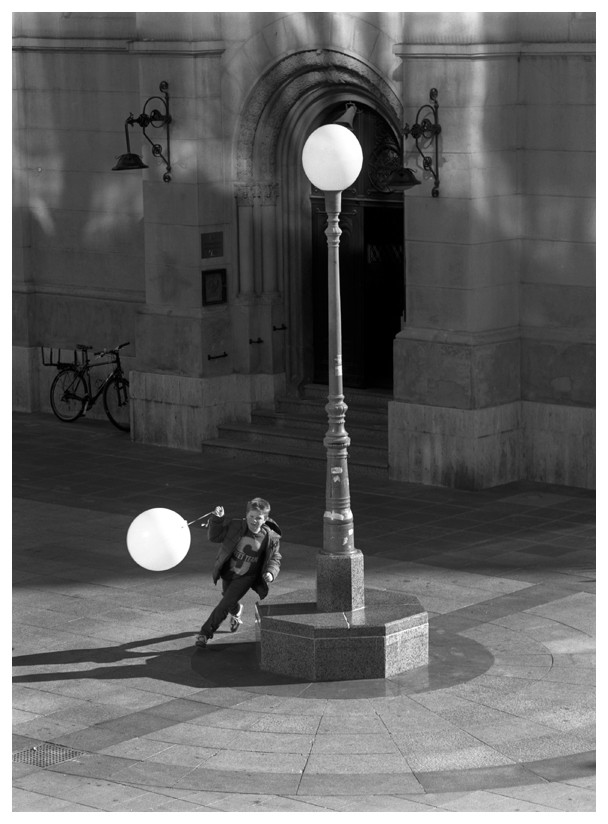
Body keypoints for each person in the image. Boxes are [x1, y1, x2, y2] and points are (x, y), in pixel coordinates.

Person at [195, 497, 282, 647]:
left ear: (265, 519)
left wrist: (271, 572)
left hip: (246, 577)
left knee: (224, 604)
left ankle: (204, 634)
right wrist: (217, 519)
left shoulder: (270, 537)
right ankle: (236, 610)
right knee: (228, 599)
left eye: (258, 518)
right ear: (246, 515)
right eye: (251, 517)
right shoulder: (236, 525)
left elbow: (275, 557)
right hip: (229, 572)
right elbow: (215, 537)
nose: (254, 521)